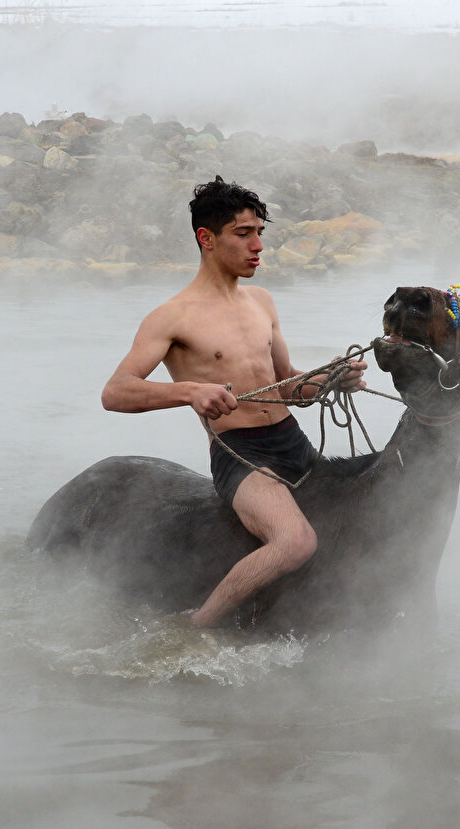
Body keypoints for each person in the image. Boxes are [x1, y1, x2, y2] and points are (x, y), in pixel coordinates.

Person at [101, 177, 367, 627]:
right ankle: (196, 626)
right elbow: (115, 391)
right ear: (206, 238)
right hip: (243, 456)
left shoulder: (262, 301)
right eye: (243, 234)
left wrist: (329, 380)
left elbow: (285, 385)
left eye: (260, 232)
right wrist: (190, 391)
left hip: (294, 443)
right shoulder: (172, 316)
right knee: (296, 542)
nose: (257, 246)